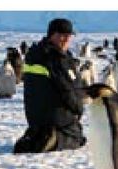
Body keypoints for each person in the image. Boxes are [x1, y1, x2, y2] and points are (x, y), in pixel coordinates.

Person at [14, 17, 86, 153]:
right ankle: (53, 139)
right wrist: (79, 108)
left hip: (36, 116)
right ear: (52, 35)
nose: (65, 39)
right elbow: (66, 89)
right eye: (61, 35)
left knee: (42, 129)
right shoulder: (55, 58)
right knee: (78, 138)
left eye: (68, 36)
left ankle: (37, 136)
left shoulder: (36, 53)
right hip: (56, 116)